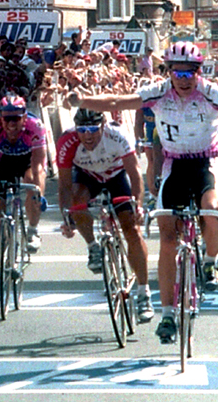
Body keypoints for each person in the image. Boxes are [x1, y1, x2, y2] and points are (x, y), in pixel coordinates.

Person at [67, 41, 218, 343]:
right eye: (177, 73)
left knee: (211, 210)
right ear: (169, 71)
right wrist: (83, 101)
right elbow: (119, 101)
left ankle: (209, 262)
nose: (183, 80)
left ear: (199, 72)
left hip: (205, 163)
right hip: (174, 166)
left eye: (189, 74)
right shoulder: (158, 92)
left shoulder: (210, 92)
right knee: (167, 239)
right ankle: (168, 314)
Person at [57, 108, 154, 323]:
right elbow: (63, 185)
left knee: (131, 229)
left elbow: (135, 174)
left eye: (93, 129)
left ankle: (143, 292)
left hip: (117, 176)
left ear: (103, 125)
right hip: (87, 176)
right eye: (82, 130)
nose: (88, 135)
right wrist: (67, 219)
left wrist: (138, 205)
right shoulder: (67, 141)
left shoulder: (117, 136)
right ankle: (93, 247)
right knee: (77, 202)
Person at [0, 96, 47, 300]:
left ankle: (32, 230)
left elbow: (39, 164)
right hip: (3, 162)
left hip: (27, 161)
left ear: (24, 117)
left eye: (16, 119)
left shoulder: (35, 126)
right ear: (1, 118)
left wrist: (39, 192)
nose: (11, 124)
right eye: (7, 119)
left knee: (32, 183)